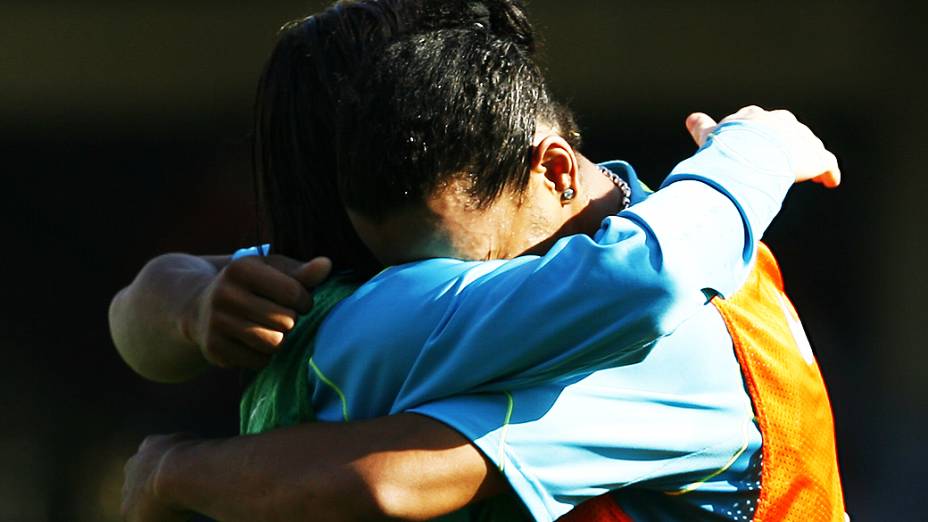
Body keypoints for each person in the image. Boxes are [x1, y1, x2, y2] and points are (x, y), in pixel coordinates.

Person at [114, 1, 845, 521]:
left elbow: (384, 481)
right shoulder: (639, 230)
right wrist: (189, 305)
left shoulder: (656, 335)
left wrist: (171, 473)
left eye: (441, 267)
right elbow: (143, 307)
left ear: (554, 171)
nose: (419, 285)